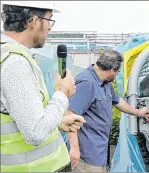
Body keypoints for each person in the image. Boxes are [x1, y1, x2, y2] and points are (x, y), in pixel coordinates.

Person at [0, 1, 85, 172]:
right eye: (49, 20)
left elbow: (21, 116)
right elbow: (35, 132)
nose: (50, 28)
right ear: (34, 21)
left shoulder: (8, 55)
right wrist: (62, 92)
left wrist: (56, 121)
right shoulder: (15, 62)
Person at [67, 50, 149, 172]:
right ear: (111, 69)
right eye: (117, 72)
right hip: (87, 154)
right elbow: (70, 115)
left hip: (100, 150)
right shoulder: (87, 83)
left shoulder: (105, 83)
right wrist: (74, 149)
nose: (117, 75)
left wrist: (138, 112)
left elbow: (117, 101)